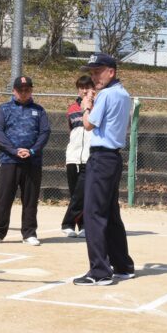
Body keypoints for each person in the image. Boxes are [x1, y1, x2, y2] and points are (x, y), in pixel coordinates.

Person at [73, 53, 134, 286]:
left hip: (101, 158)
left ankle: (99, 270)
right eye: (93, 72)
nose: (94, 77)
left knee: (93, 214)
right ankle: (122, 265)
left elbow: (88, 125)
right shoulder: (123, 93)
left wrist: (86, 106)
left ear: (111, 71)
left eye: (99, 71)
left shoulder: (107, 94)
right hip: (113, 159)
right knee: (110, 213)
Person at [0, 75, 51, 246]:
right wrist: (14, 150)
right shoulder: (3, 109)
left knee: (30, 199)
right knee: (4, 198)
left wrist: (32, 150)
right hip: (9, 160)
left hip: (32, 161)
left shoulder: (39, 110)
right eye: (20, 90)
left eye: (27, 89)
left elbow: (44, 133)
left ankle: (29, 233)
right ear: (14, 91)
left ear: (31, 90)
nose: (24, 92)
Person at [61, 75, 94, 238]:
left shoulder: (97, 107)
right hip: (73, 157)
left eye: (88, 87)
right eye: (81, 87)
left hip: (89, 157)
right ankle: (78, 225)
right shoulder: (72, 108)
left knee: (84, 194)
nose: (85, 90)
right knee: (75, 193)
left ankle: (73, 224)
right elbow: (72, 131)